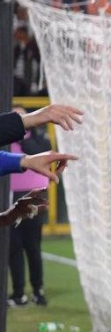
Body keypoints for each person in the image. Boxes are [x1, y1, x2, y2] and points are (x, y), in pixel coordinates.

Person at [7, 108, 52, 307]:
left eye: (21, 117)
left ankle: (38, 291)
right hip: (10, 198)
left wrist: (20, 133)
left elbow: (37, 152)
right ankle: (18, 294)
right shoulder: (6, 141)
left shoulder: (40, 137)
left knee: (33, 247)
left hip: (34, 197)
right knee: (13, 248)